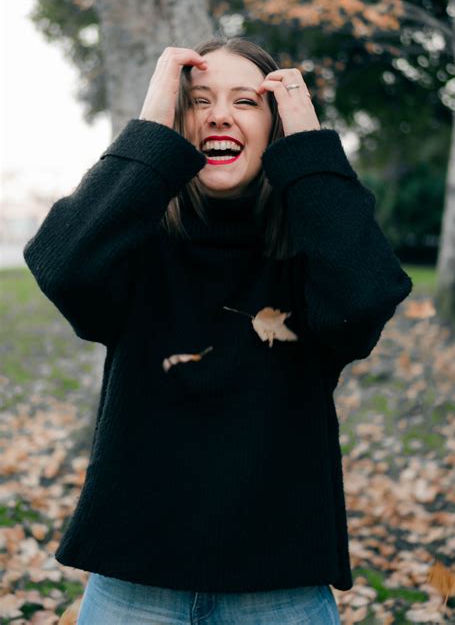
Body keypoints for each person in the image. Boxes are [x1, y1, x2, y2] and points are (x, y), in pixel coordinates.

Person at [23, 37, 413, 624]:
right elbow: (65, 267)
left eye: (246, 102)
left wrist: (307, 141)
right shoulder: (136, 245)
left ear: (276, 127)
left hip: (280, 590)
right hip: (135, 585)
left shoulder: (315, 249)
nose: (219, 115)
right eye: (198, 101)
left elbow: (365, 300)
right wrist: (154, 119)